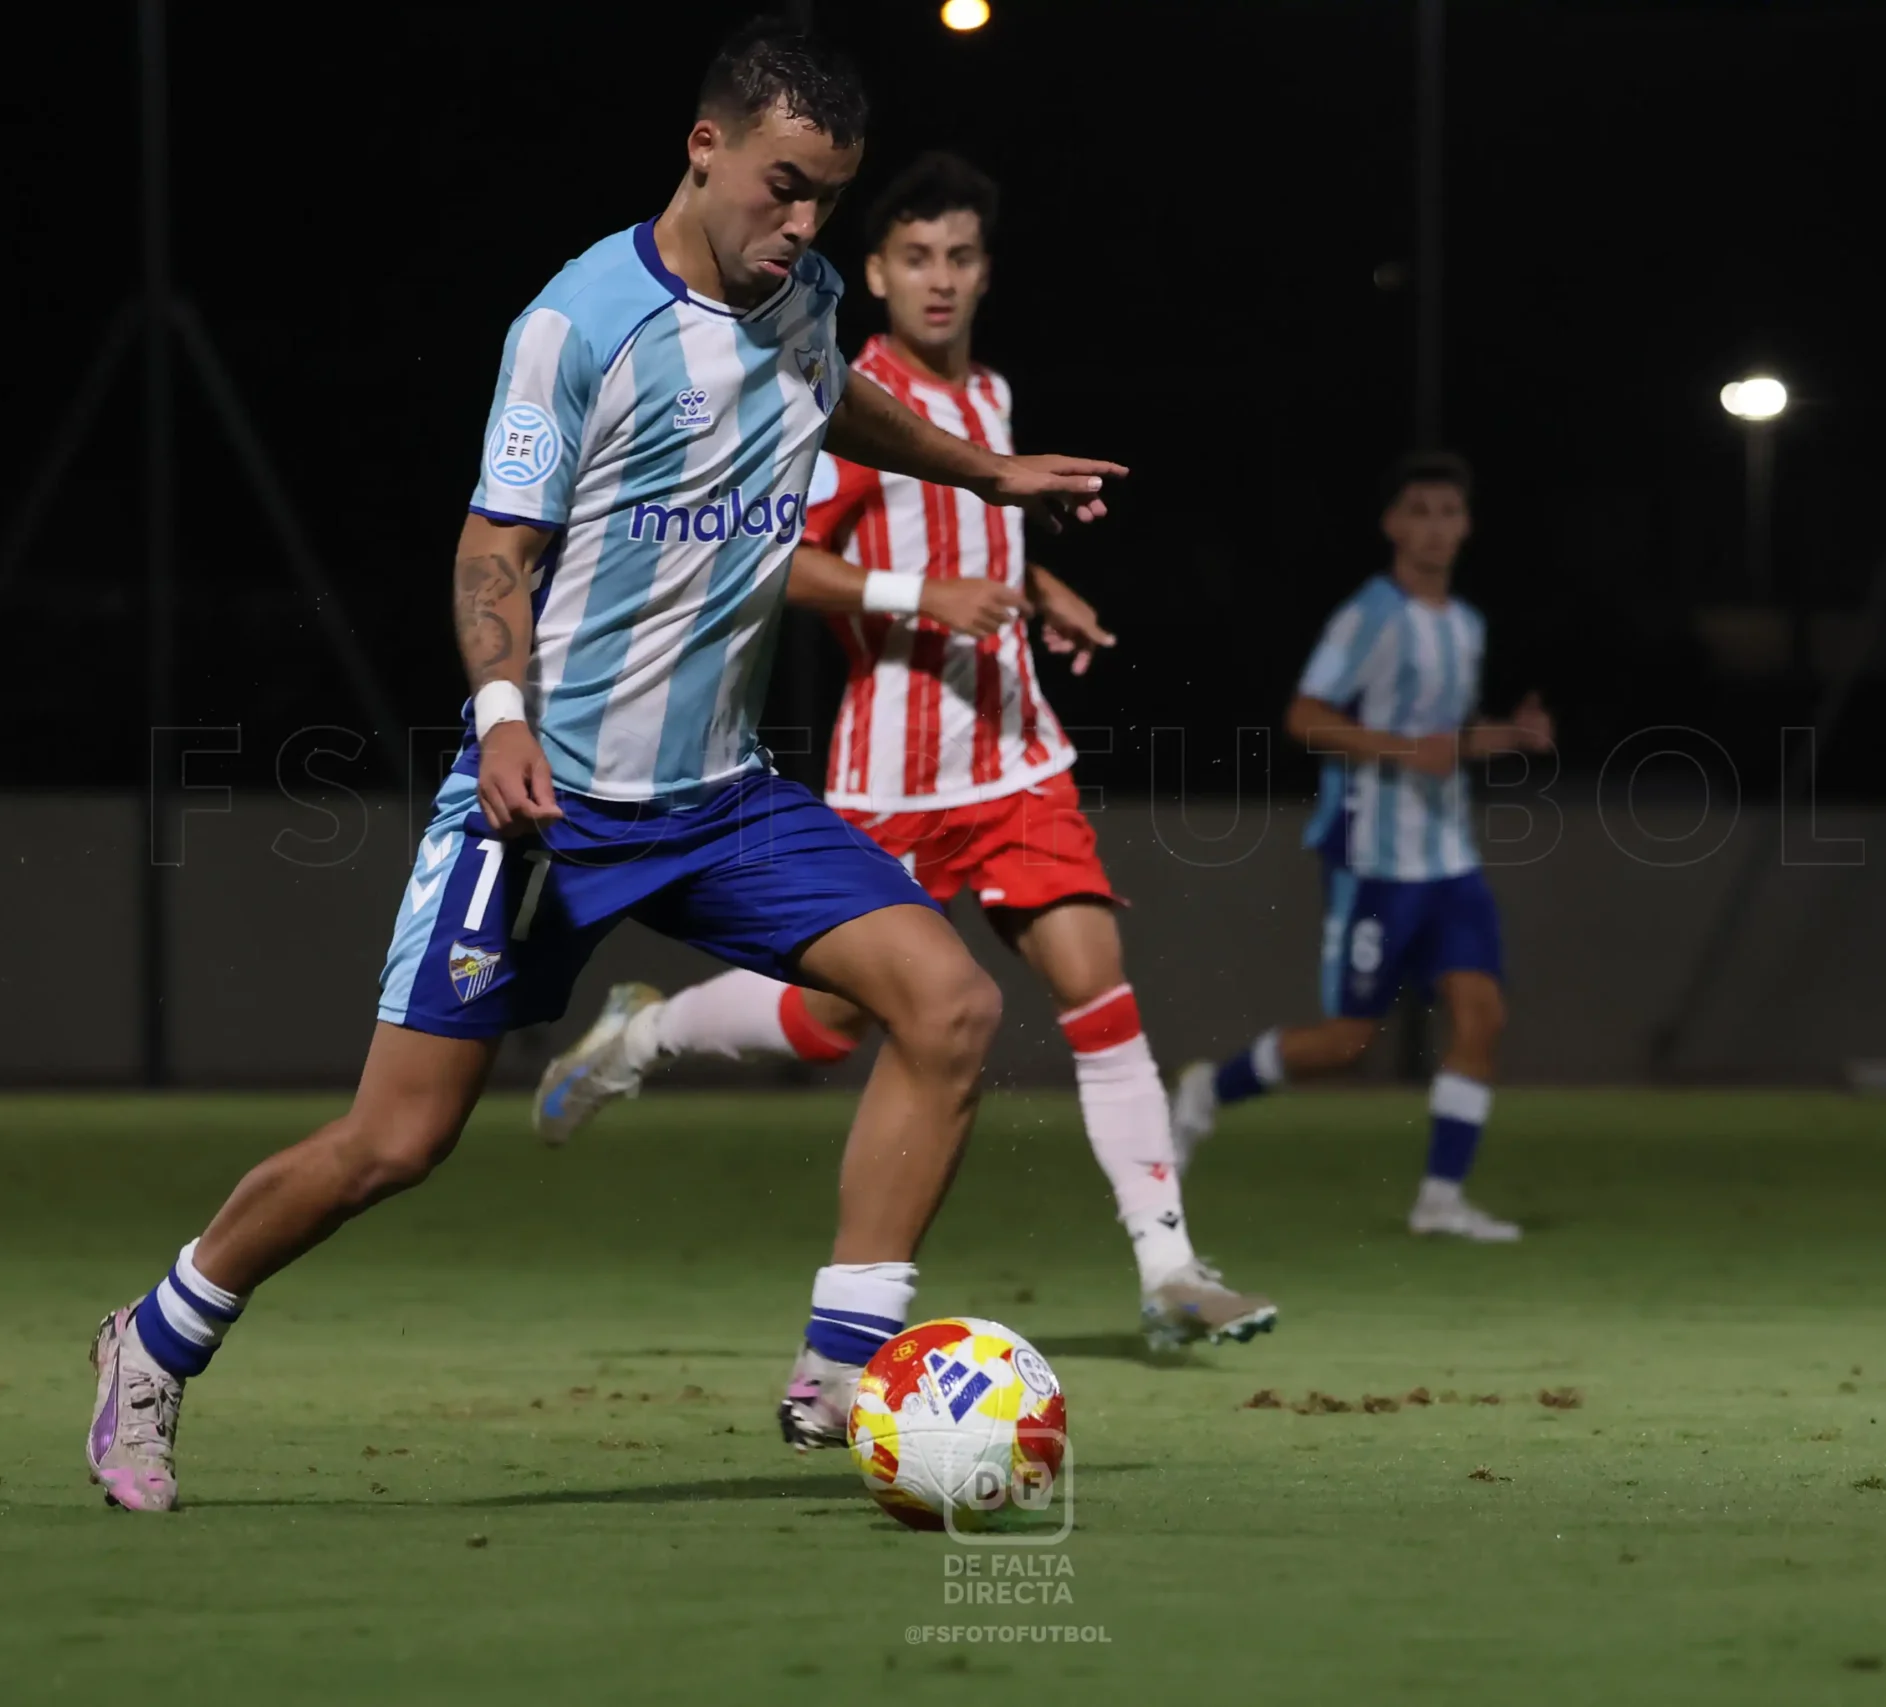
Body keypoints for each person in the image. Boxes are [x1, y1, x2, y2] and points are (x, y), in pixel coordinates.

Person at [85, 21, 1126, 1512]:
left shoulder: (809, 292)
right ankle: (157, 1338)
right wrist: (501, 713)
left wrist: (983, 471)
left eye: (827, 195)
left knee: (949, 1001)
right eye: (782, 187)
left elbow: (827, 390)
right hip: (550, 804)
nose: (805, 225)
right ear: (704, 149)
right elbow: (493, 548)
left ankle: (839, 1371)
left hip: (719, 801)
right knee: (396, 1140)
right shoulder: (576, 325)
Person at [530, 153, 1276, 1378]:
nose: (940, 280)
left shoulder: (986, 397)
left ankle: (1169, 1270)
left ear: (986, 273)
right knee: (829, 1022)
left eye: (962, 258)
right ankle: (648, 1034)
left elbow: (973, 525)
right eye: (916, 257)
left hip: (1013, 754)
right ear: (872, 273)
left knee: (1096, 979)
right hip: (890, 772)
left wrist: (1041, 589)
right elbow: (774, 561)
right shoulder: (835, 390)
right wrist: (921, 593)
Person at [1170, 452, 1552, 1241]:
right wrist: (1406, 750)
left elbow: (1440, 736)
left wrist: (1507, 736)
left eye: (1450, 510)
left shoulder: (1467, 623)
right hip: (1375, 858)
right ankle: (1210, 1088)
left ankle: (1440, 1199)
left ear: (1467, 525)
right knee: (1348, 1041)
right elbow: (1305, 716)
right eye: (1420, 509)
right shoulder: (1368, 615)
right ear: (1392, 524)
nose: (1436, 525)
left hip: (1451, 858)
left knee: (1482, 1016)